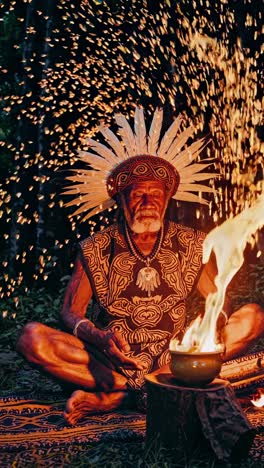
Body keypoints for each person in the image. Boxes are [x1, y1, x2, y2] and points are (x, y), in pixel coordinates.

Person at [16, 107, 264, 425]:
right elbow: (70, 312)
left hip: (175, 359)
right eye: (138, 195)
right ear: (121, 200)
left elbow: (219, 299)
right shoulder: (95, 247)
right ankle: (141, 390)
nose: (147, 202)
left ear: (167, 199)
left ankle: (120, 396)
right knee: (30, 338)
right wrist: (97, 335)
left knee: (252, 317)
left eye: (155, 195)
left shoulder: (193, 243)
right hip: (114, 361)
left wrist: (213, 324)